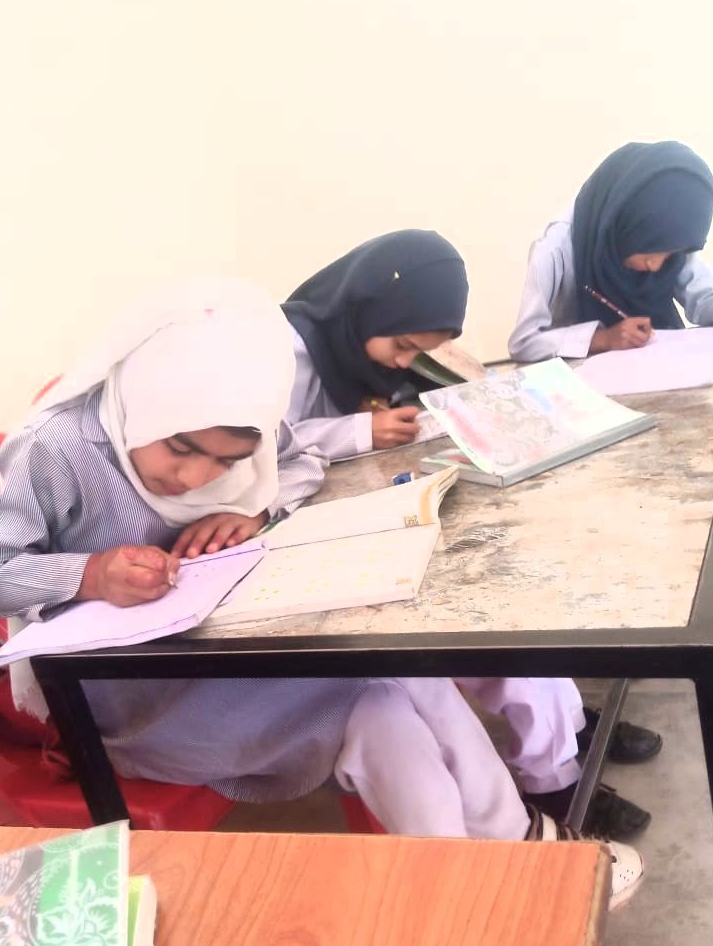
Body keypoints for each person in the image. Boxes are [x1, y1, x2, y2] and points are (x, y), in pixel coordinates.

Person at [0, 277, 642, 906]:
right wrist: (90, 573)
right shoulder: (58, 448)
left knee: (402, 682)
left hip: (219, 641)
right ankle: (482, 893)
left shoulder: (238, 423)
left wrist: (251, 510)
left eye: (225, 463)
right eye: (182, 450)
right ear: (146, 405)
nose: (196, 479)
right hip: (123, 692)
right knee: (377, 714)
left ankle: (514, 864)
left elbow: (299, 458)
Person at [277, 232, 657, 837]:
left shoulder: (366, 345)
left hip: (379, 511)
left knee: (510, 592)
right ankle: (554, 774)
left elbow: (421, 390)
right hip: (311, 550)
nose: (404, 360)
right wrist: (356, 432)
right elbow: (262, 452)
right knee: (478, 623)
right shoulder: (285, 352)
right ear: (365, 308)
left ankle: (559, 735)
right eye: (402, 344)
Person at [509, 140, 713, 364]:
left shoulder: (669, 239)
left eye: (670, 256)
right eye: (652, 251)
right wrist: (603, 339)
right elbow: (524, 342)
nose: (657, 266)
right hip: (585, 398)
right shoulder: (556, 249)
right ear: (629, 222)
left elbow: (705, 297)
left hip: (662, 376)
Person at [282, 230, 467, 462]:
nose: (405, 362)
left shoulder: (364, 352)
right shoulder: (288, 347)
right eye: (401, 345)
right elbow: (264, 443)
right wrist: (361, 431)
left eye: (420, 352)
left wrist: (371, 403)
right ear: (370, 312)